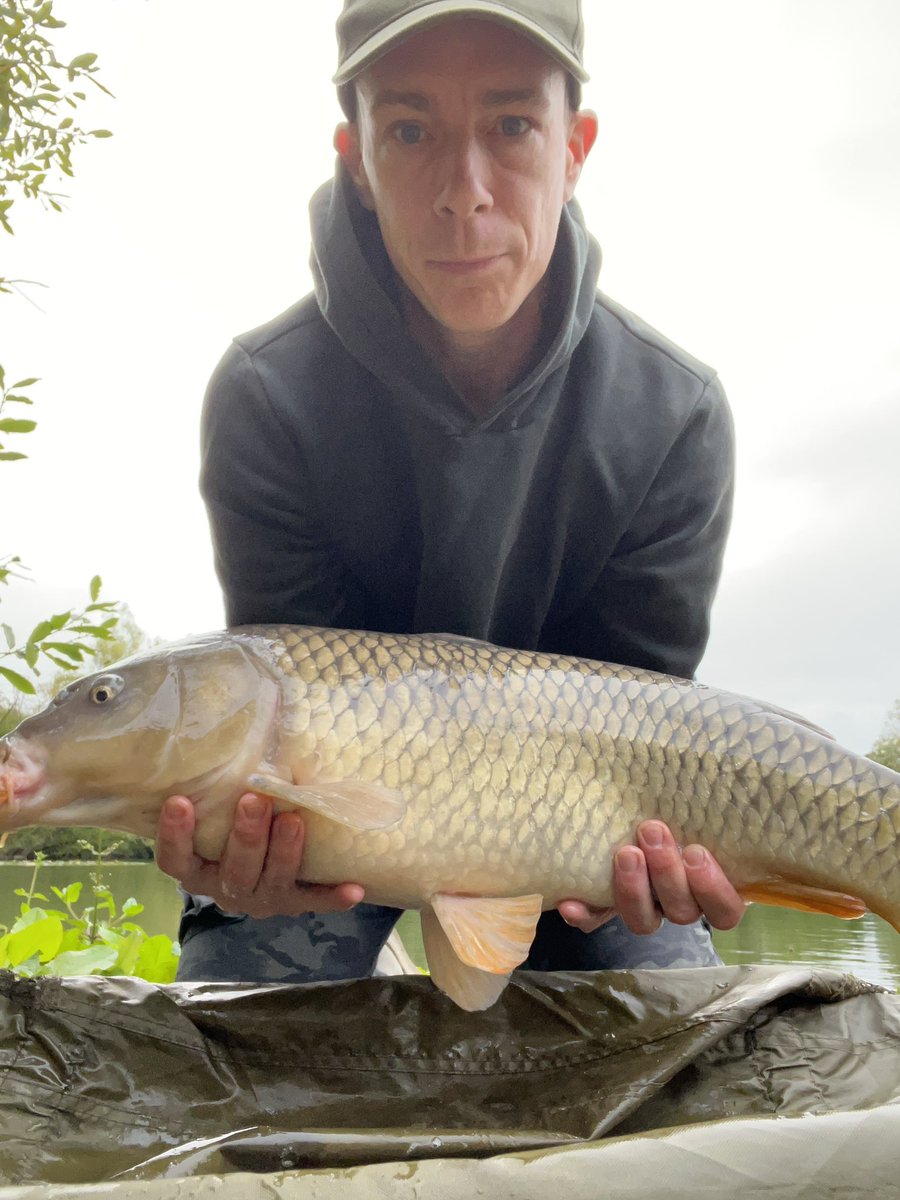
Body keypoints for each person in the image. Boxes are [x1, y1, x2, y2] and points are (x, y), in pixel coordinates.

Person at [156, 0, 747, 984]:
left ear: (574, 149)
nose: (465, 194)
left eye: (512, 126)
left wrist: (663, 858)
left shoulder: (675, 412)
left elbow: (645, 723)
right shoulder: (267, 394)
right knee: (242, 998)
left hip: (578, 824)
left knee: (677, 1000)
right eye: (410, 131)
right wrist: (242, 833)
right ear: (356, 157)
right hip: (337, 824)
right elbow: (286, 701)